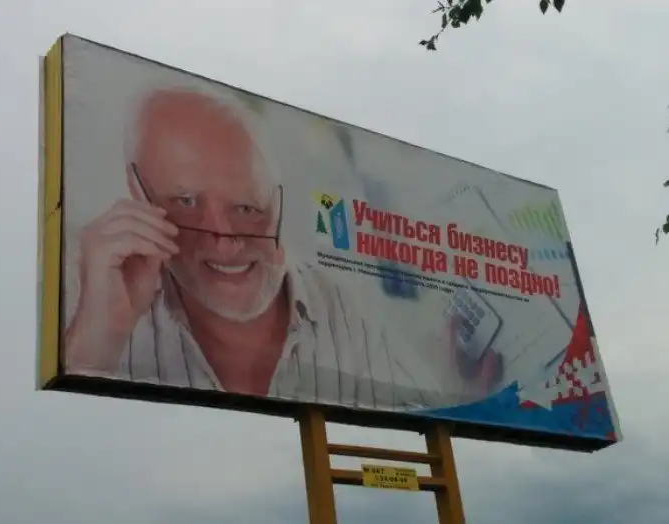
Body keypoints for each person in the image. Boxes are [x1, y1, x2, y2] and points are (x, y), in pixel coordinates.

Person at [64, 87, 502, 410]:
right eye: (186, 202)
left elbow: (425, 408)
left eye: (247, 207)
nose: (226, 240)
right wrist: (96, 341)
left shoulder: (344, 312)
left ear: (280, 201)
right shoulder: (91, 292)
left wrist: (463, 397)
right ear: (136, 192)